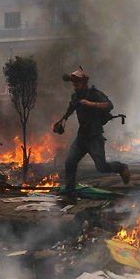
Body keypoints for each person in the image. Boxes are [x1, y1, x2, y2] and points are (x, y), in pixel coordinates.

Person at [53, 66, 130, 204]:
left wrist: (91, 104)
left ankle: (121, 168)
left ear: (83, 83)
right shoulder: (75, 96)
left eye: (77, 83)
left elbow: (109, 105)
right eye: (73, 83)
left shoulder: (93, 93)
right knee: (70, 162)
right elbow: (70, 109)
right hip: (82, 137)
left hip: (95, 137)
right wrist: (61, 121)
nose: (75, 86)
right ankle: (70, 196)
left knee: (101, 167)